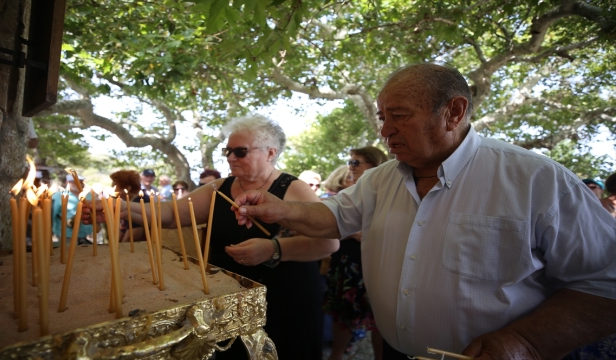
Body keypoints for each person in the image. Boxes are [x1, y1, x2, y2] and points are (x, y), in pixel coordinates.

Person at [231, 64, 616, 359]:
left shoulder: (536, 180)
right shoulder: (380, 180)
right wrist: (280, 210)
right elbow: (333, 218)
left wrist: (525, 342)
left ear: (454, 111)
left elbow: (605, 282)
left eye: (399, 115)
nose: (385, 131)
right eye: (383, 117)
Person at [83, 114, 339, 360]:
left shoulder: (294, 189)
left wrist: (274, 249)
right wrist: (119, 208)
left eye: (240, 151)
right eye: (227, 151)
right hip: (229, 299)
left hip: (284, 298)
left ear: (271, 152)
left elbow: (329, 242)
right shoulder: (220, 188)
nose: (230, 157)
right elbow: (172, 213)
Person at [325, 146, 387, 360]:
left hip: (380, 264)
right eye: (349, 162)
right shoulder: (347, 194)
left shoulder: (392, 194)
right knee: (343, 316)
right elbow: (328, 227)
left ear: (374, 165)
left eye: (355, 162)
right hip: (348, 262)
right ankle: (335, 356)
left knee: (381, 320)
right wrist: (351, 234)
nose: (349, 168)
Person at [52, 175, 93, 246]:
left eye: (81, 182)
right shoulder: (58, 196)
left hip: (84, 232)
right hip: (66, 233)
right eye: (75, 182)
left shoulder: (88, 195)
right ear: (68, 182)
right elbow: (51, 215)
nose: (79, 184)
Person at [109, 169, 143, 242]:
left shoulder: (140, 202)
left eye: (114, 186)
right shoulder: (128, 201)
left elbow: (132, 235)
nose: (112, 190)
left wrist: (119, 250)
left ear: (127, 188)